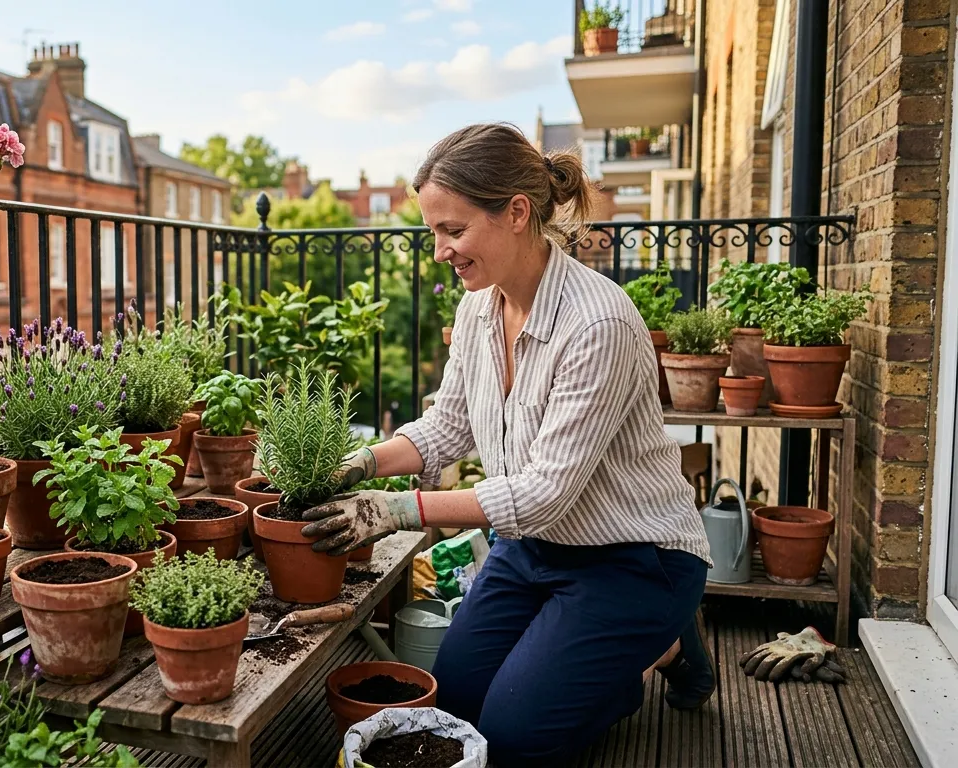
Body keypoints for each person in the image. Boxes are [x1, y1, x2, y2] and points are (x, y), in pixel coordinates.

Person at [300, 123, 713, 764]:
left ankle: (660, 649)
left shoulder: (595, 323)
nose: (439, 251)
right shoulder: (478, 309)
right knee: (456, 706)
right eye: (433, 232)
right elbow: (449, 426)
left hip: (631, 558)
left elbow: (544, 493)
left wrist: (396, 510)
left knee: (514, 739)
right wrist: (359, 464)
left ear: (517, 213)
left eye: (454, 230)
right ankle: (612, 658)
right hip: (531, 550)